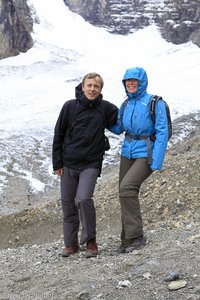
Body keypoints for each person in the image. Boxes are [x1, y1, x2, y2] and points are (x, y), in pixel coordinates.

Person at [52, 72, 118, 258]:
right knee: (68, 205)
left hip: (90, 164)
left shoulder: (105, 108)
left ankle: (91, 241)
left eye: (96, 86)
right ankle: (71, 244)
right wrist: (57, 162)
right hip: (68, 163)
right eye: (89, 85)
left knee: (83, 199)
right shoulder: (69, 106)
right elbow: (59, 134)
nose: (92, 89)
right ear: (82, 87)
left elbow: (123, 119)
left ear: (100, 90)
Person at [109, 67, 169, 253]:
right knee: (123, 191)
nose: (130, 83)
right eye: (127, 81)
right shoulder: (126, 104)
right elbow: (119, 128)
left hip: (146, 152)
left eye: (134, 80)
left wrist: (156, 161)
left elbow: (162, 131)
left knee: (127, 188)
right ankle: (127, 238)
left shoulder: (154, 102)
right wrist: (99, 118)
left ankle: (136, 236)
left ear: (142, 82)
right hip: (127, 151)